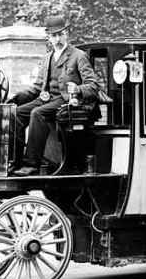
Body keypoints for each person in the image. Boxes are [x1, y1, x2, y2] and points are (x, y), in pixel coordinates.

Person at [8, 15, 99, 176]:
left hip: (65, 101)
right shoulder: (47, 57)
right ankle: (15, 162)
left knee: (38, 113)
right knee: (16, 113)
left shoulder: (78, 56)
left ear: (66, 34)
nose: (57, 39)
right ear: (48, 38)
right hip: (46, 99)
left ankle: (32, 165)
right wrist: (15, 98)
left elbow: (93, 85)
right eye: (53, 35)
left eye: (60, 34)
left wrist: (78, 89)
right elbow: (37, 88)